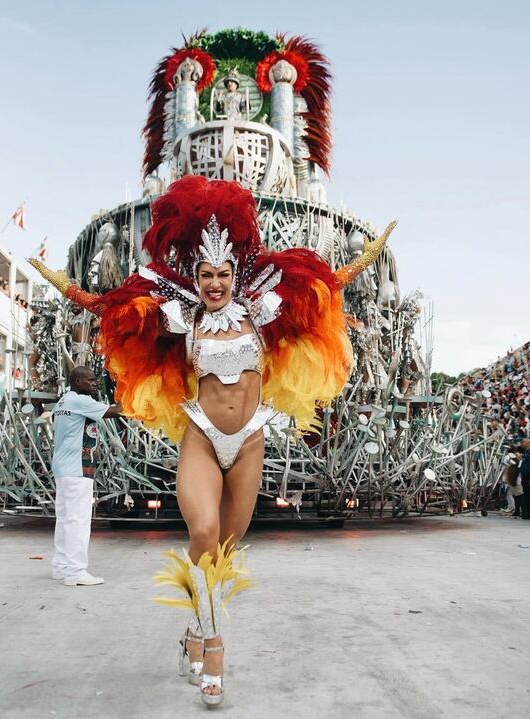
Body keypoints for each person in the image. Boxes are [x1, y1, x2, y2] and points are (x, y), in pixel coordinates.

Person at [29, 175, 394, 706]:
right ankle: (215, 650)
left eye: (223, 273)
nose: (215, 282)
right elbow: (108, 306)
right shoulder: (181, 317)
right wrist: (64, 285)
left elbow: (327, 285)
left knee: (224, 550)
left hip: (249, 441)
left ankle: (194, 632)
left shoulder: (261, 312)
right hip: (201, 437)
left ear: (236, 273)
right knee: (202, 530)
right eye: (206, 274)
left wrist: (368, 258)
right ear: (194, 276)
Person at [51, 366, 121, 586]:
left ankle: (61, 567)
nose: (94, 384)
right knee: (78, 520)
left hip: (63, 468)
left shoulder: (64, 400)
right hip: (77, 469)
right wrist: (140, 396)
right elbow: (115, 411)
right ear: (78, 381)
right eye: (90, 380)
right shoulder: (80, 401)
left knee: (64, 519)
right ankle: (76, 571)